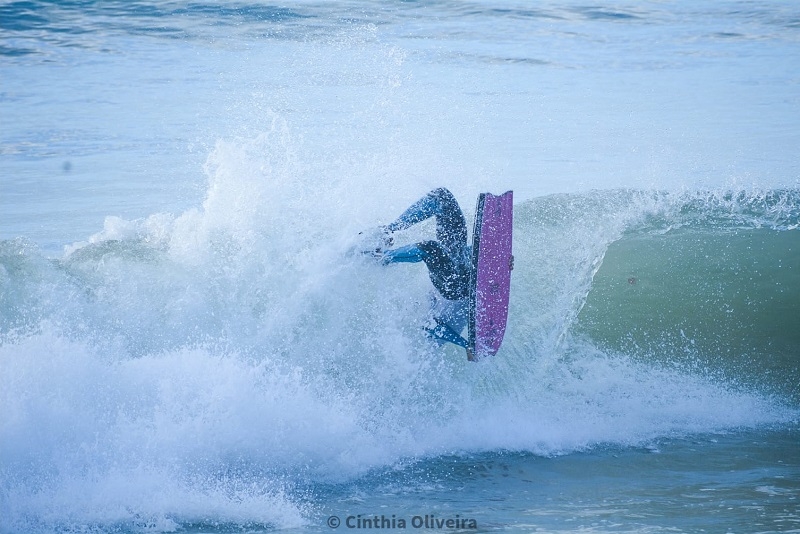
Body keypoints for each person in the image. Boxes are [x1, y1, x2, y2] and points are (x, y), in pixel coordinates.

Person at [367, 188, 475, 360]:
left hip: (455, 280)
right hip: (458, 286)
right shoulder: (431, 336)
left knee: (440, 203)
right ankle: (386, 239)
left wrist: (465, 345)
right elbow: (434, 328)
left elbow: (430, 327)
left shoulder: (417, 315)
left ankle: (384, 251)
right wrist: (498, 264)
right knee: (443, 198)